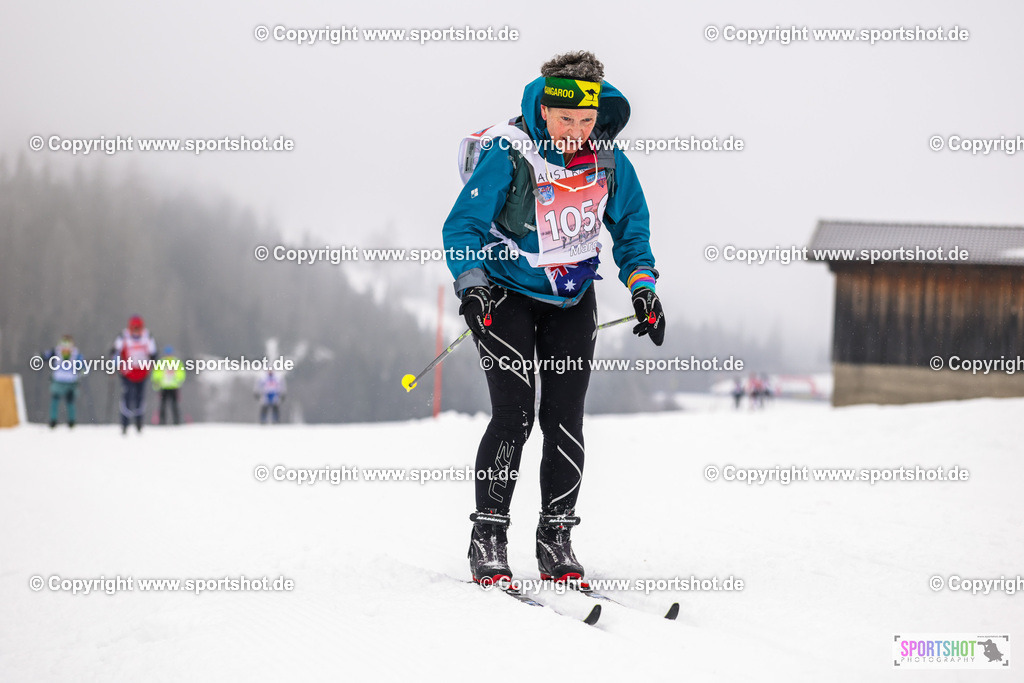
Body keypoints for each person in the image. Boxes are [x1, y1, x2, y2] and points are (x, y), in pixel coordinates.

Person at [443, 51, 665, 585]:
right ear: (544, 109)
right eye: (566, 119)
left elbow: (631, 229)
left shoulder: (607, 160)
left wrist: (643, 288)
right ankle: (488, 537)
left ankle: (556, 538)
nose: (577, 132)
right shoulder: (509, 150)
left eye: (587, 120)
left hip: (572, 299)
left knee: (565, 418)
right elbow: (462, 225)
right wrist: (472, 287)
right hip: (503, 295)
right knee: (515, 414)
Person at [112, 315, 157, 434]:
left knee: (139, 397)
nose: (136, 331)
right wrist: (113, 364)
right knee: (127, 397)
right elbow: (115, 351)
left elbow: (153, 353)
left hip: (142, 372)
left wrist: (154, 362)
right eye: (134, 328)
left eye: (138, 328)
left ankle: (139, 423)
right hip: (127, 373)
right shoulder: (123, 336)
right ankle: (124, 424)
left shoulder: (147, 336)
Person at [42, 334, 84, 428]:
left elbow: (45, 356)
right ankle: (71, 421)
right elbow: (82, 366)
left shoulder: (56, 351)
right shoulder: (76, 353)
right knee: (69, 401)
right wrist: (82, 372)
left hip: (59, 379)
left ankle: (54, 420)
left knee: (56, 400)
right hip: (70, 380)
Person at [151, 345, 185, 425]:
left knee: (174, 405)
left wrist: (178, 380)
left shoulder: (176, 362)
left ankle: (176, 421)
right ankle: (163, 421)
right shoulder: (162, 362)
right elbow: (156, 373)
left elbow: (181, 373)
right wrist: (156, 382)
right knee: (163, 405)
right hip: (164, 386)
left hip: (173, 386)